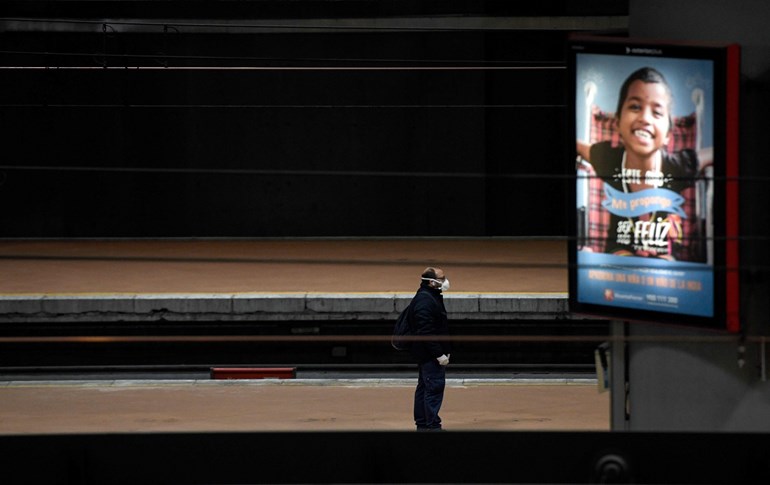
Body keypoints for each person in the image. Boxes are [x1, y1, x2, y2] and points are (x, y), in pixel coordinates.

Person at [576, 67, 712, 261]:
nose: (645, 118)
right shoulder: (608, 158)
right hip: (618, 253)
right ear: (617, 123)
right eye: (635, 107)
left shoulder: (678, 167)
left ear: (667, 136)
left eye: (656, 112)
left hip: (664, 257)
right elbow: (580, 148)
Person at [409, 266, 451, 431]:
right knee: (433, 389)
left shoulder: (428, 296)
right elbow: (426, 332)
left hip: (426, 354)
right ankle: (432, 427)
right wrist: (439, 354)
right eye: (442, 278)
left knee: (424, 388)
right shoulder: (425, 302)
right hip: (430, 355)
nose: (445, 280)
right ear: (432, 282)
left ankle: (423, 424)